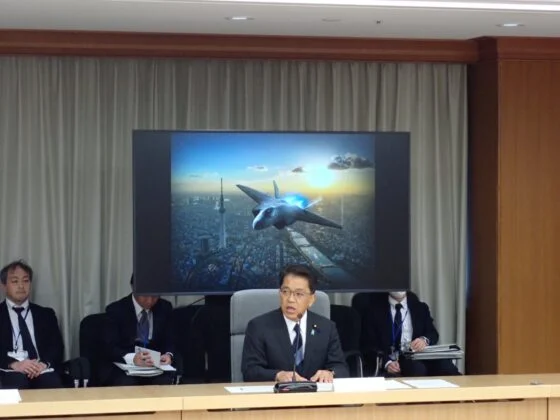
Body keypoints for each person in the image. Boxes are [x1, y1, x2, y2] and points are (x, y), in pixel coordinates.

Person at [242, 264, 349, 383]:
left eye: (299, 294)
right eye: (285, 292)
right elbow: (250, 371)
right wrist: (277, 375)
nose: (290, 299)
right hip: (276, 393)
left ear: (311, 299)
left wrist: (330, 373)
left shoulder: (326, 328)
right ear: (280, 293)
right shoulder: (259, 326)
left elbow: (341, 368)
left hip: (315, 394)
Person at [361, 291, 460, 377]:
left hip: (418, 354)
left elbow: (432, 333)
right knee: (417, 369)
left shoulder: (420, 308)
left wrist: (424, 340)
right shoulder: (373, 311)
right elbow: (368, 345)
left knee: (447, 367)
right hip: (394, 359)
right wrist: (386, 363)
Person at [100, 275, 176, 386]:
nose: (150, 300)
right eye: (145, 295)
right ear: (133, 288)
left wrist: (168, 355)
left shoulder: (165, 307)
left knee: (164, 382)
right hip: (124, 364)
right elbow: (109, 347)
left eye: (155, 296)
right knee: (127, 384)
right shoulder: (116, 310)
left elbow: (170, 339)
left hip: (154, 365)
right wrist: (132, 358)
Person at [0, 260, 64, 389]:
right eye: (15, 281)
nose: (21, 286)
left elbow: (57, 347)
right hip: (9, 370)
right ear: (3, 286)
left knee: (51, 382)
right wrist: (13, 364)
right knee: (16, 382)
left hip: (41, 369)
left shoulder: (46, 314)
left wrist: (43, 364)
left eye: (25, 281)